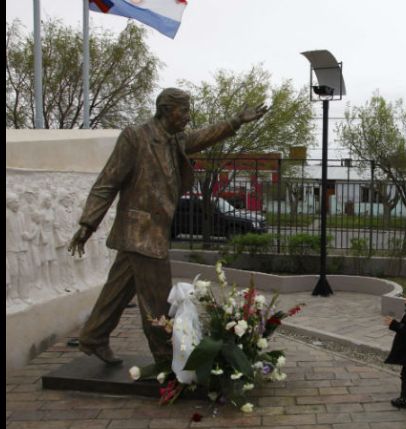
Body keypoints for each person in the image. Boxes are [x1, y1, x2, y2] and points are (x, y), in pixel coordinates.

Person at [68, 87, 268, 367]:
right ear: (165, 110)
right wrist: (88, 224)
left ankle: (93, 336)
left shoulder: (176, 140)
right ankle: (166, 360)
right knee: (157, 300)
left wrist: (236, 121)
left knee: (118, 289)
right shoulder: (135, 137)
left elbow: (204, 135)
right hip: (141, 232)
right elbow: (108, 181)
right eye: (183, 110)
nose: (187, 116)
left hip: (151, 232)